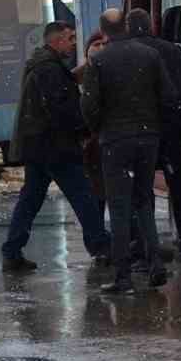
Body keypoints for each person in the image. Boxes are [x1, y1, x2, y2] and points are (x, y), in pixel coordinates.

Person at [3, 22, 111, 273]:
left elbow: (56, 97)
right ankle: (101, 246)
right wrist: (85, 128)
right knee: (84, 197)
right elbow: (63, 110)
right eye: (70, 38)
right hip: (55, 147)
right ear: (56, 41)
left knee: (30, 200)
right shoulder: (50, 70)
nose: (74, 42)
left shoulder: (44, 66)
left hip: (38, 147)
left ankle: (12, 251)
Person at [80, 8, 175, 294]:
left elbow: (89, 106)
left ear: (104, 31)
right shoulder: (149, 55)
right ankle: (155, 264)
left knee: (119, 207)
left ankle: (123, 276)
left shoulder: (99, 61)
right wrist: (153, 123)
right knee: (144, 201)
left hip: (115, 140)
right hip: (148, 137)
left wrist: (100, 128)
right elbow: (169, 96)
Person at [126, 8, 181, 265]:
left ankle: (145, 251)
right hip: (170, 132)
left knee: (141, 193)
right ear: (151, 26)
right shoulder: (172, 52)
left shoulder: (124, 54)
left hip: (138, 134)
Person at [75, 31, 109, 227]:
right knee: (95, 196)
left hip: (109, 141)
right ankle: (99, 239)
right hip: (90, 146)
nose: (100, 49)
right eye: (96, 44)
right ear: (87, 50)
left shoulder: (114, 72)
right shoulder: (76, 76)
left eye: (104, 44)